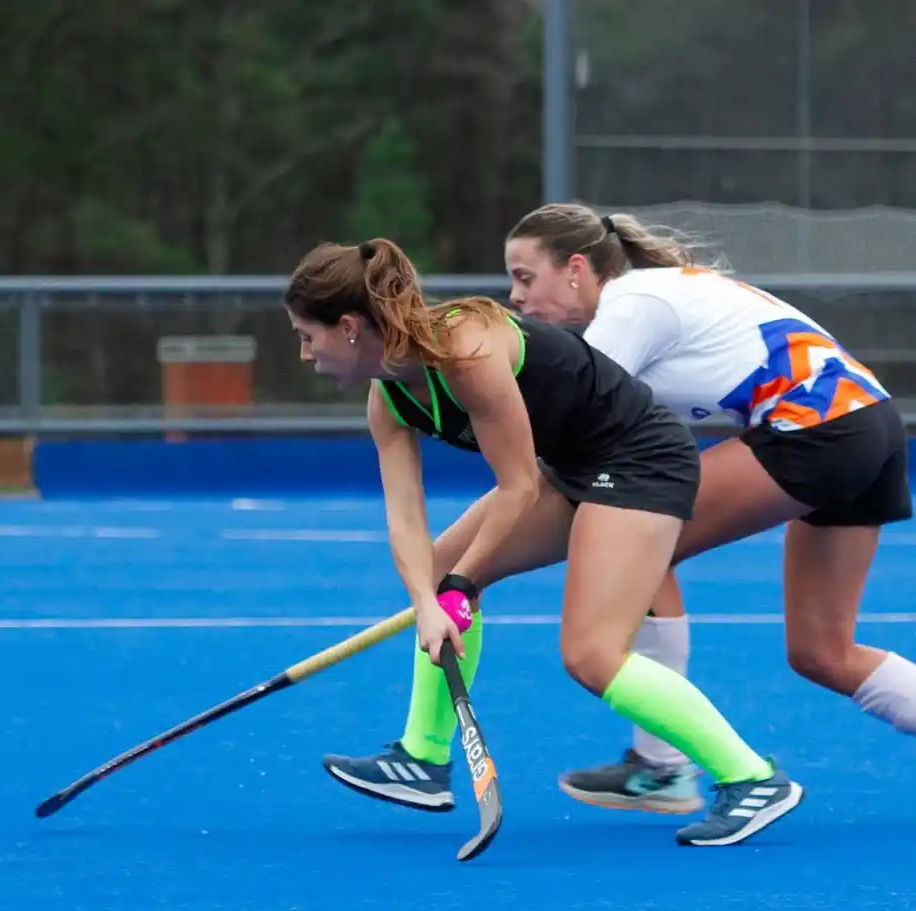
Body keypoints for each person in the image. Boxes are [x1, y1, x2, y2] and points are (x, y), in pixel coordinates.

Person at [324, 207, 916, 828]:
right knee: (821, 649)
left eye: (527, 278)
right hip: (866, 424)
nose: (518, 300)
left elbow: (574, 449)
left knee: (635, 528)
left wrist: (459, 574)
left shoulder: (630, 308)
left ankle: (667, 767)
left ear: (578, 269)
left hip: (816, 428)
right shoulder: (644, 298)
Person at [286, 237, 801, 847]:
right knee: (443, 564)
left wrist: (456, 589)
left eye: (306, 336)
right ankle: (422, 760)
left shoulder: (466, 350)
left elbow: (518, 485)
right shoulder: (388, 397)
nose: (303, 353)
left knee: (591, 654)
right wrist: (429, 599)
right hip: (572, 468)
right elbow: (405, 520)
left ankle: (752, 779)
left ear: (348, 327)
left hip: (638, 460)